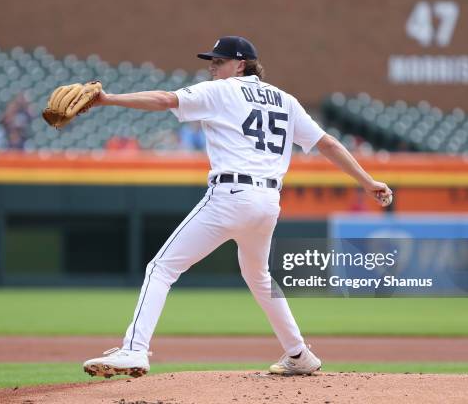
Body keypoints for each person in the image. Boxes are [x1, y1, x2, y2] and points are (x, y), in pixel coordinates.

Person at [83, 36, 392, 378]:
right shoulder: (284, 100)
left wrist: (108, 98)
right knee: (258, 277)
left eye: (219, 60)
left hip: (230, 196)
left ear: (240, 64)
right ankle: (299, 353)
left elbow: (163, 99)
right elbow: (327, 143)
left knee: (161, 268)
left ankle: (135, 350)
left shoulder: (222, 91)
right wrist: (367, 181)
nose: (212, 66)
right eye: (211, 60)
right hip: (268, 203)